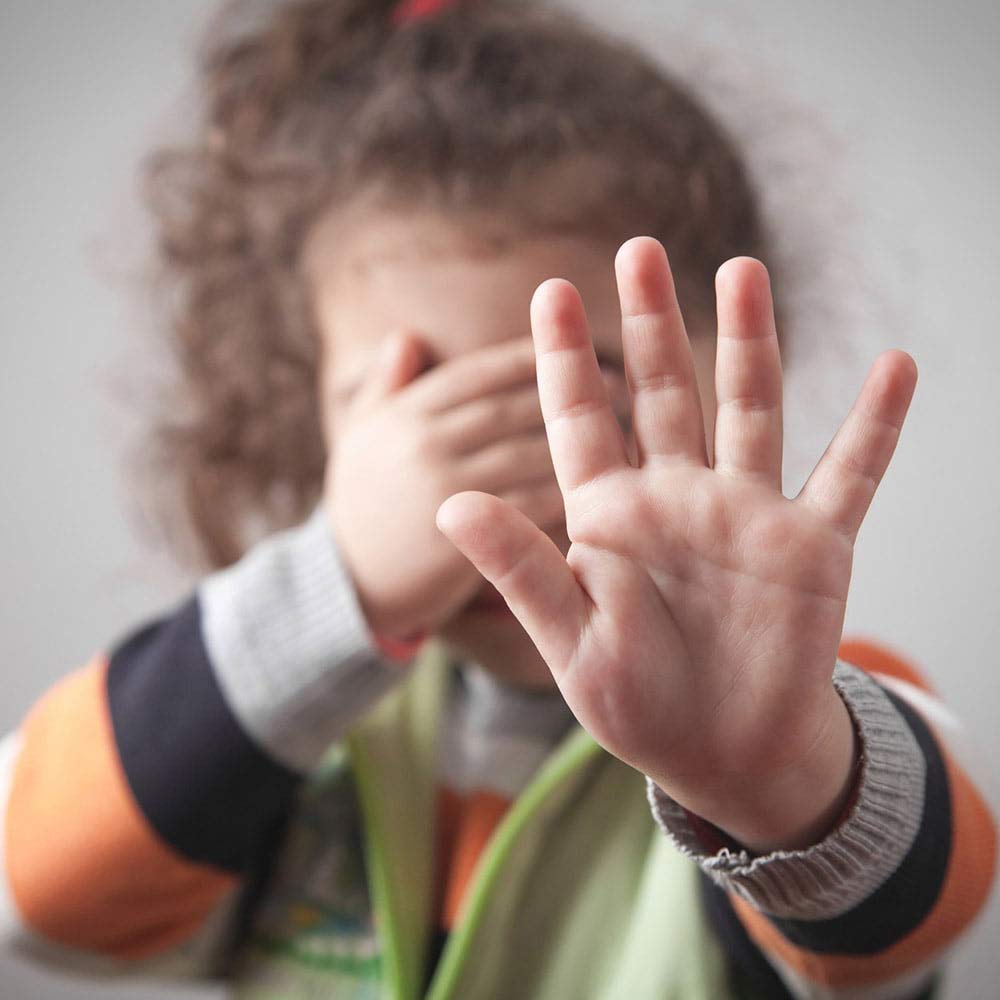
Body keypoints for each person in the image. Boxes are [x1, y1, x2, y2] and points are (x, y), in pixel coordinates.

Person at [1, 0, 995, 997]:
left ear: (728, 365)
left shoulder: (794, 704)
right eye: (414, 413)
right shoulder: (267, 730)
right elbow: (36, 901)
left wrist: (772, 779)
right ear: (314, 421)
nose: (483, 488)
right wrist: (331, 584)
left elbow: (903, 933)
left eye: (572, 395)